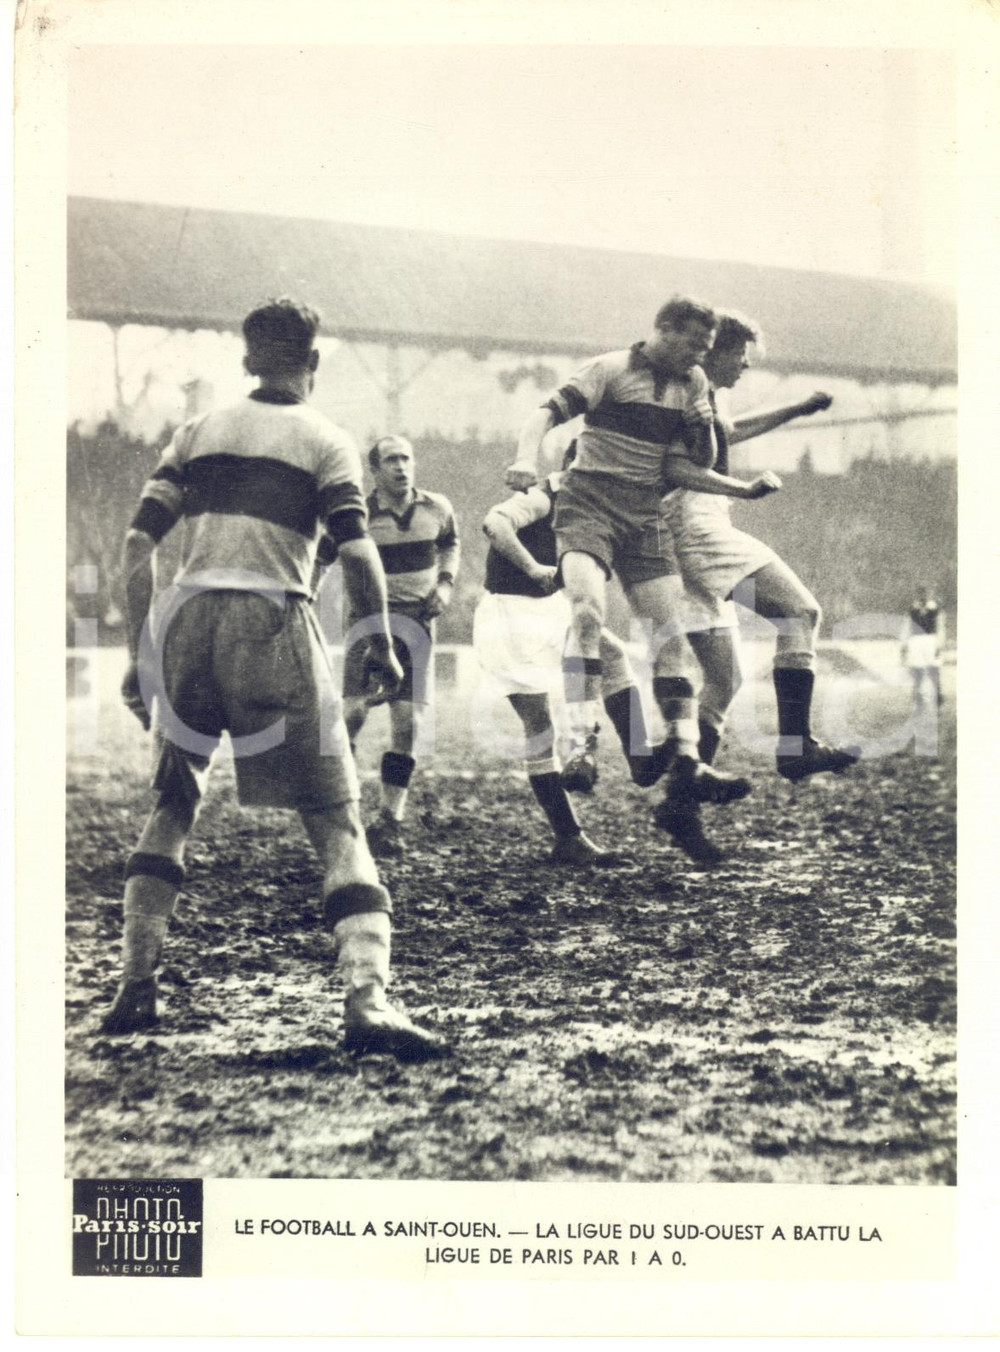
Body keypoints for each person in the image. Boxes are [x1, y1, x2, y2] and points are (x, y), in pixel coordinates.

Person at [103, 298, 448, 1061]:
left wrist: (140, 650)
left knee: (172, 802)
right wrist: (381, 646)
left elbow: (136, 543)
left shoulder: (194, 434)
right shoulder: (325, 437)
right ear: (313, 363)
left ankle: (135, 985)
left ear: (248, 359)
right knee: (336, 820)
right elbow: (357, 557)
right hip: (273, 619)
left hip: (185, 622)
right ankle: (368, 999)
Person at [506, 296, 752, 822]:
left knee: (670, 635)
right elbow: (545, 414)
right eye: (692, 344)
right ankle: (582, 746)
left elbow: (692, 465)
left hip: (644, 511)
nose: (698, 355)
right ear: (662, 331)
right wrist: (526, 457)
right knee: (588, 612)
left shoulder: (694, 385)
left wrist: (731, 471)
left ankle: (686, 757)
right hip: (587, 502)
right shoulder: (610, 369)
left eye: (706, 349)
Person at [656, 309, 860, 802]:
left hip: (685, 538)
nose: (746, 367)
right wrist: (743, 490)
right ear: (717, 352)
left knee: (725, 679)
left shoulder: (703, 397)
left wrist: (797, 409)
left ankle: (683, 800)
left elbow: (729, 431)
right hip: (698, 529)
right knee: (800, 613)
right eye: (741, 356)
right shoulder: (694, 390)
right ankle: (795, 747)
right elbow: (675, 465)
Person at [474, 447, 672, 864]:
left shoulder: (596, 506)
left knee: (613, 655)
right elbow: (495, 522)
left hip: (551, 609)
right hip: (510, 612)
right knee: (539, 723)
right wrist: (531, 567)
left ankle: (639, 758)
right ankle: (568, 837)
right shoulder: (545, 493)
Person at [336, 434, 460, 858]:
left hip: (418, 623)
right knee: (351, 714)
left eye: (406, 458)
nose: (401, 467)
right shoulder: (360, 513)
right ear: (375, 469)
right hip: (368, 622)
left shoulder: (437, 507)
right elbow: (323, 555)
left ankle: (391, 820)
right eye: (391, 460)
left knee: (407, 723)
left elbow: (449, 544)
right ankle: (340, 812)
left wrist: (445, 584)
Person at [901, 583, 944, 714]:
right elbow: (906, 627)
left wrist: (939, 646)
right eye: (919, 594)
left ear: (929, 595)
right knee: (918, 672)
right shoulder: (912, 609)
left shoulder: (935, 609)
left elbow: (940, 627)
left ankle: (938, 701)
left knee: (933, 671)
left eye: (924, 594)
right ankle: (918, 702)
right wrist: (904, 646)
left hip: (931, 641)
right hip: (916, 642)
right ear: (916, 595)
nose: (922, 597)